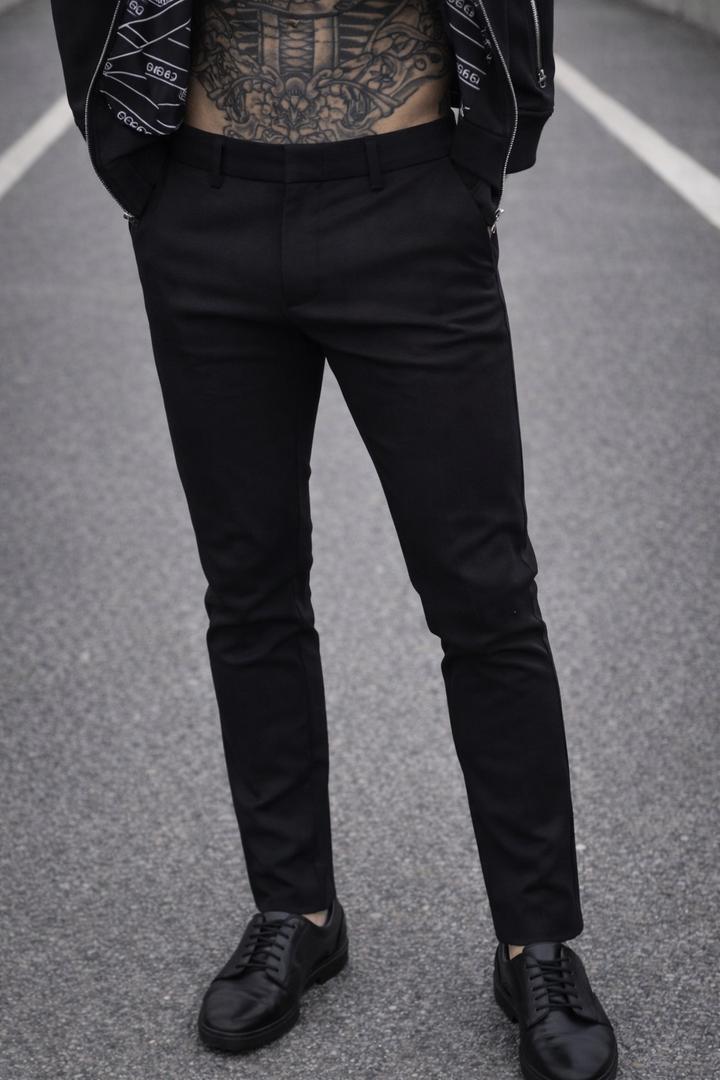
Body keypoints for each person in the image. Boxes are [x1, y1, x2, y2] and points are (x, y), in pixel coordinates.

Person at [49, 1, 618, 1076]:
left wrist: (479, 160)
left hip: (408, 197)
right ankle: (296, 911)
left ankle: (536, 941)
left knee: (485, 593)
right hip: (206, 205)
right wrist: (135, 164)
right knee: (249, 587)